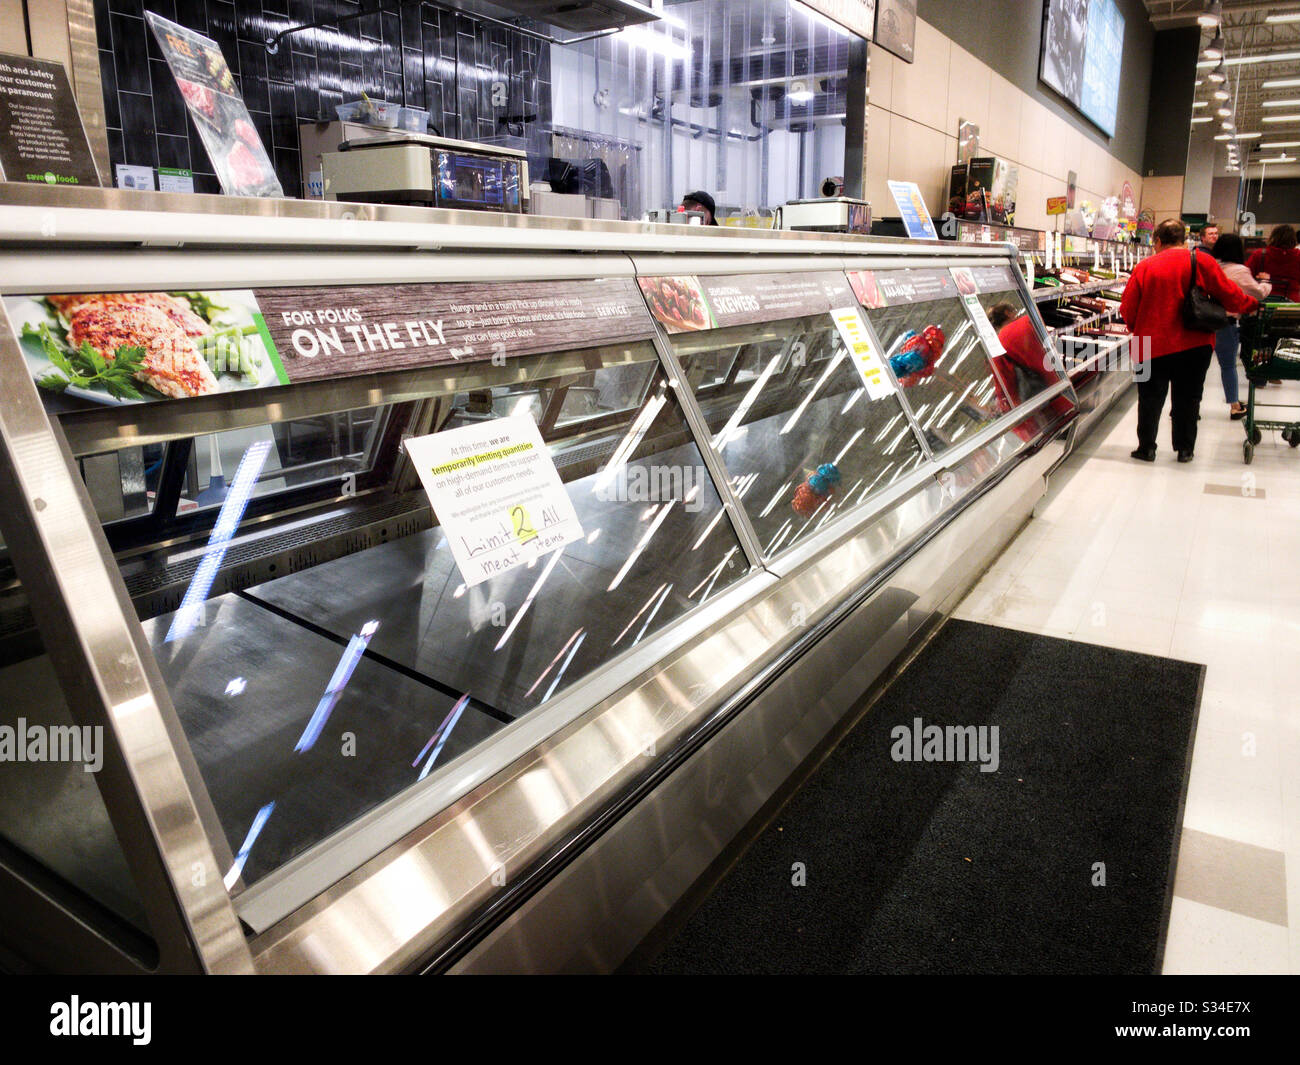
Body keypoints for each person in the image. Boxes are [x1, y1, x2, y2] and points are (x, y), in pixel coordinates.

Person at [1120, 218, 1258, 463]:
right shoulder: (1202, 261)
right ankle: (1185, 449)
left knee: (1149, 398)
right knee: (1189, 398)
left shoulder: (1145, 266)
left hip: (1149, 343)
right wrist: (1252, 305)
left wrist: (1136, 327)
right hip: (1195, 343)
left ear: (1158, 241)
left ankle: (1147, 448)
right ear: (1183, 239)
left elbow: (1128, 308)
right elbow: (1229, 294)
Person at [1211, 232, 1271, 420]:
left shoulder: (1209, 266)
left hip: (1203, 321)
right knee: (1228, 365)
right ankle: (1235, 405)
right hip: (1225, 323)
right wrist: (1266, 282)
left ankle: (1185, 408)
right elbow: (1259, 294)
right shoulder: (1239, 270)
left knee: (1198, 367)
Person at [1246, 223, 1300, 302]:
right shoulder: (1298, 256)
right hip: (1292, 303)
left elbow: (1247, 276)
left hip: (1264, 301)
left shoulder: (1259, 254)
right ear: (1293, 239)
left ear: (1273, 237)